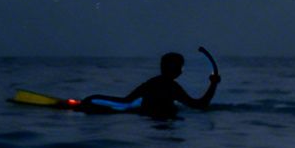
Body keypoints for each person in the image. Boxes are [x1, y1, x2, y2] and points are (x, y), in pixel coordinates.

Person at [89, 52, 218, 118]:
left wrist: (93, 98)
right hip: (163, 117)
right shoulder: (172, 88)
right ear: (178, 70)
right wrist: (213, 84)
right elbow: (199, 105)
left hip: (146, 118)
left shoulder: (151, 83)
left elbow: (125, 101)